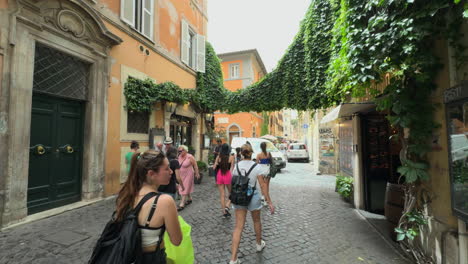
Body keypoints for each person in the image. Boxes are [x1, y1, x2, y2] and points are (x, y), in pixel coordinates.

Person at [116, 150, 182, 263]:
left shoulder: (127, 195)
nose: (171, 172)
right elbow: (176, 240)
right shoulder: (165, 201)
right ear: (151, 174)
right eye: (166, 168)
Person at [229, 144, 274, 264]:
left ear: (241, 154)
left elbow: (232, 183)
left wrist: (230, 197)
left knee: (238, 227)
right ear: (251, 153)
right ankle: (259, 244)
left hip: (239, 197)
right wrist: (269, 202)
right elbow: (263, 185)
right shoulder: (256, 167)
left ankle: (233, 259)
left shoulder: (237, 166)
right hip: (253, 196)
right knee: (257, 221)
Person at [213, 143, 234, 217]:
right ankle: (227, 206)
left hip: (220, 175)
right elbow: (232, 169)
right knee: (231, 193)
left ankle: (224, 212)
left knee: (222, 195)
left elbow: (214, 167)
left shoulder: (219, 157)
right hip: (227, 175)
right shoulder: (231, 157)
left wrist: (217, 163)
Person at [177, 145, 200, 211]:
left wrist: (197, 173)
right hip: (181, 175)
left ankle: (182, 203)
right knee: (184, 186)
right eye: (179, 151)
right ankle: (190, 198)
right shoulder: (179, 156)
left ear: (185, 151)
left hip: (189, 174)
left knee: (185, 187)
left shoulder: (190, 157)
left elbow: (195, 165)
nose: (180, 152)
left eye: (181, 151)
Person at [256, 142, 275, 208]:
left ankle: (263, 199)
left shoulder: (259, 155)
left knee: (262, 186)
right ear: (266, 147)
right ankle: (266, 200)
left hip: (261, 171)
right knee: (267, 186)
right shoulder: (268, 154)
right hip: (268, 171)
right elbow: (271, 162)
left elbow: (257, 163)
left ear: (260, 147)